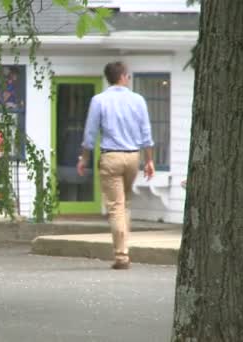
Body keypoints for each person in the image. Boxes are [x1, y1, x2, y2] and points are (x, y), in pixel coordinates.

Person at [77, 61, 155, 270]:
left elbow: (90, 133)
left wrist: (84, 158)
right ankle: (124, 249)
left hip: (111, 156)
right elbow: (146, 133)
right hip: (132, 156)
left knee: (116, 207)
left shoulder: (99, 100)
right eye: (128, 76)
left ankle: (122, 256)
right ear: (122, 77)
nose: (128, 79)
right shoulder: (138, 100)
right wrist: (149, 160)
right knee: (125, 203)